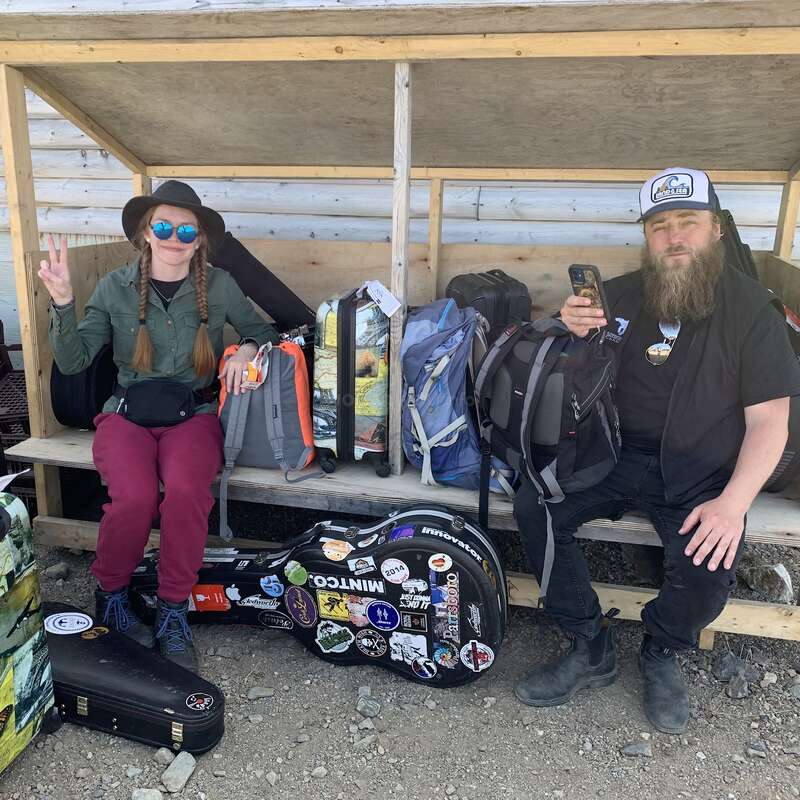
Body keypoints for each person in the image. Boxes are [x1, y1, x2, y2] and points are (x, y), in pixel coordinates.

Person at [513, 167, 800, 734]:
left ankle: (662, 649)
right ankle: (588, 642)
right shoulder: (616, 294)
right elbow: (560, 368)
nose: (674, 237)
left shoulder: (752, 309)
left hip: (700, 467)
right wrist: (563, 327)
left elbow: (771, 420)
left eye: (687, 222)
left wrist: (733, 503)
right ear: (647, 237)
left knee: (708, 562)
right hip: (611, 455)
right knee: (535, 504)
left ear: (715, 229)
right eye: (660, 225)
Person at [39, 180, 278, 672]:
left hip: (192, 415)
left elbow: (263, 331)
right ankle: (110, 598)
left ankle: (172, 610)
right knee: (135, 496)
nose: (175, 237)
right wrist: (63, 303)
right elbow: (75, 359)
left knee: (188, 492)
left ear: (199, 239)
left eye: (186, 229)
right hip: (126, 415)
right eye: (163, 226)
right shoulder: (115, 287)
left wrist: (248, 351)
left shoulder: (221, 285)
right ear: (146, 233)